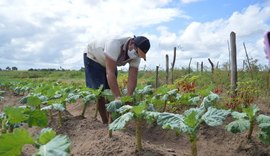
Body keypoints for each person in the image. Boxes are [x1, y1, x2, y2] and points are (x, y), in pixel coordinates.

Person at [83, 36, 151, 124]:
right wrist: (118, 97)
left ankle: (112, 120)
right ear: (131, 44)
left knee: (109, 92)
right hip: (93, 57)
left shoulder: (136, 56)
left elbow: (133, 76)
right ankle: (105, 122)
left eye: (139, 55)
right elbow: (110, 73)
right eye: (137, 52)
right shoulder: (114, 44)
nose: (137, 55)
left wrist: (128, 96)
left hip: (110, 61)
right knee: (100, 92)